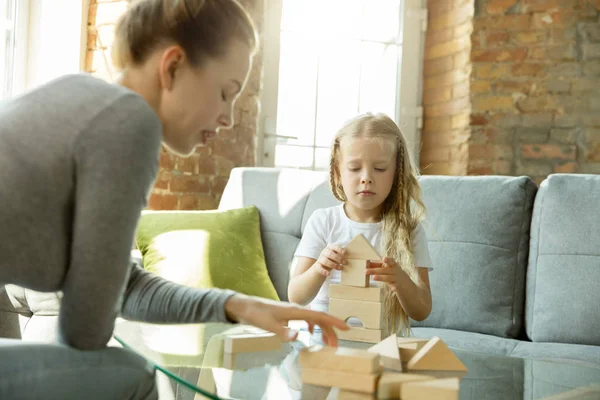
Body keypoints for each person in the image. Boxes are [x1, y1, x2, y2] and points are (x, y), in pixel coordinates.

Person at [0, 0, 348, 398]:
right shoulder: (129, 123)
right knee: (132, 375)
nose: (229, 118)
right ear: (173, 67)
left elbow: (121, 288)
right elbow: (85, 331)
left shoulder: (82, 95)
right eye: (225, 92)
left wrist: (238, 305)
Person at [288, 113, 433, 338]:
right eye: (355, 168)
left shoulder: (409, 230)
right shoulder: (324, 221)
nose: (366, 178)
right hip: (325, 337)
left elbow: (422, 310)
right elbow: (296, 296)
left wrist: (401, 280)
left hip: (381, 341)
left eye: (381, 168)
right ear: (337, 173)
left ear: (396, 174)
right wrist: (319, 268)